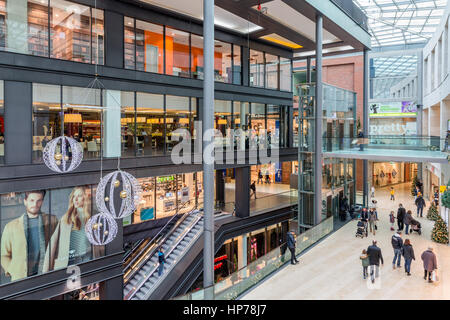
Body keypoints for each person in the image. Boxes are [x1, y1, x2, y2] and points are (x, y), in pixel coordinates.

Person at [0, 190, 58, 282]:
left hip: (45, 274)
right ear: (25, 201)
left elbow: (57, 247)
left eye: (39, 200)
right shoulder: (11, 226)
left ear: (42, 201)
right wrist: (13, 270)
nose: (35, 204)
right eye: (32, 200)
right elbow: (3, 255)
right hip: (20, 278)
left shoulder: (52, 220)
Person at [43, 187, 102, 272]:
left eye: (79, 196)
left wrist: (100, 269)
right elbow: (52, 244)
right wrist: (45, 272)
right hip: (70, 262)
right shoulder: (66, 218)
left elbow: (100, 243)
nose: (76, 199)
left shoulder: (94, 216)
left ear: (85, 198)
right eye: (74, 196)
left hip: (89, 259)